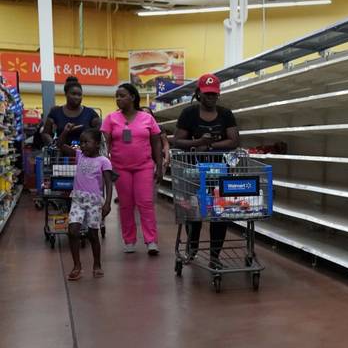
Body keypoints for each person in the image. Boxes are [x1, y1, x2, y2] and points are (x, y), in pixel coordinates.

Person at [173, 74, 240, 267]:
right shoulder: (189, 113)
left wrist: (210, 147)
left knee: (219, 214)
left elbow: (234, 141)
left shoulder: (226, 114)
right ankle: (192, 248)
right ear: (199, 93)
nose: (211, 97)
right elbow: (178, 140)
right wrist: (198, 142)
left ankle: (214, 256)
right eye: (207, 94)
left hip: (221, 170)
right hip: (194, 171)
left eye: (214, 94)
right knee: (194, 212)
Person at [101, 83, 164, 255]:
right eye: (117, 96)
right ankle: (129, 240)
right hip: (120, 168)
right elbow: (104, 144)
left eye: (122, 96)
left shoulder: (147, 118)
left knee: (146, 203)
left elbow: (156, 142)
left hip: (144, 166)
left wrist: (159, 166)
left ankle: (151, 240)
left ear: (133, 97)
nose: (118, 99)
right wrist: (104, 165)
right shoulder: (111, 118)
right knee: (126, 205)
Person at [56, 124, 113, 281]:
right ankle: (77, 266)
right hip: (78, 200)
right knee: (72, 231)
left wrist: (107, 203)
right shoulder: (80, 155)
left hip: (94, 202)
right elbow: (60, 145)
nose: (82, 145)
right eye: (81, 142)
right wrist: (66, 131)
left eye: (86, 142)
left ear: (97, 144)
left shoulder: (104, 161)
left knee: (92, 235)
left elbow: (109, 183)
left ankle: (97, 264)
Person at [41, 77, 101, 147]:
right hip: (61, 155)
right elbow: (46, 133)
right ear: (66, 94)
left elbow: (99, 134)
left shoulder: (91, 113)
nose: (77, 97)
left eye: (79, 95)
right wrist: (53, 146)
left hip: (85, 155)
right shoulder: (55, 112)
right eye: (73, 94)